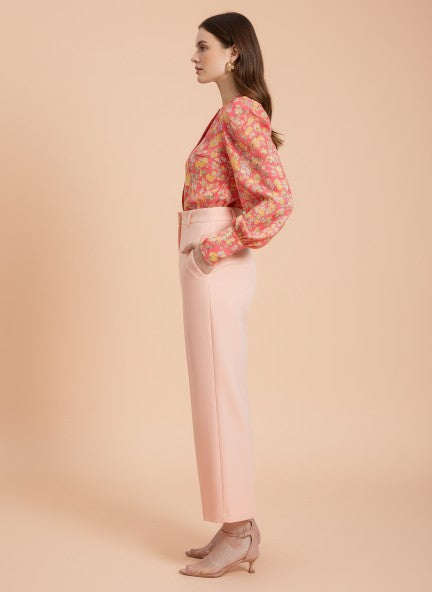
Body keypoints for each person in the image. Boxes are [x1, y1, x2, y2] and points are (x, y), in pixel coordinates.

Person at [178, 11, 294, 578]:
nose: (194, 56)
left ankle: (238, 530)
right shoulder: (227, 115)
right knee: (213, 391)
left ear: (233, 53)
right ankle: (235, 526)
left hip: (215, 263)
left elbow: (276, 200)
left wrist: (210, 250)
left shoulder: (240, 113)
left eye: (204, 46)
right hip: (208, 260)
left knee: (219, 392)